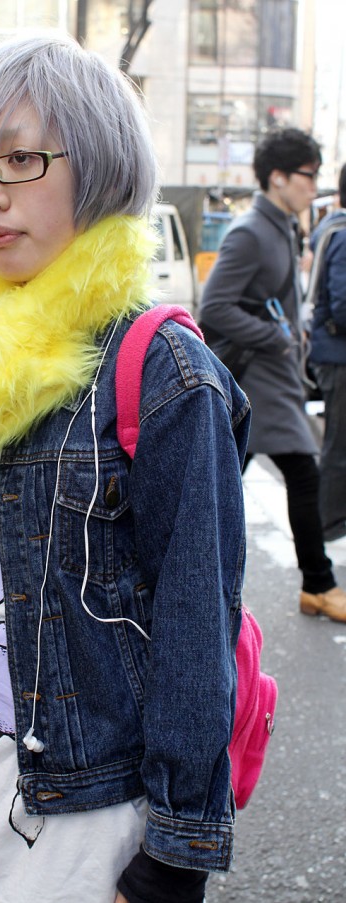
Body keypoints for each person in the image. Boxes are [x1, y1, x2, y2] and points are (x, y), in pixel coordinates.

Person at [0, 34, 250, 903]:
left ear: (100, 168)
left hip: (91, 812)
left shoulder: (163, 372)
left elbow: (197, 623)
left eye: (22, 157)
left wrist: (176, 853)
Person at [199, 127, 346, 623]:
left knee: (216, 483)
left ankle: (313, 585)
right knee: (303, 474)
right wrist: (275, 337)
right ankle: (319, 584)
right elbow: (213, 306)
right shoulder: (251, 231)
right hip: (256, 379)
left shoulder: (283, 225)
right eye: (308, 174)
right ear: (279, 177)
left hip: (272, 379)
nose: (314, 184)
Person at [307, 163, 346, 542]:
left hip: (330, 352)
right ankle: (330, 524)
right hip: (337, 355)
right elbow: (342, 303)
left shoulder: (332, 228)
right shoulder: (343, 234)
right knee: (337, 443)